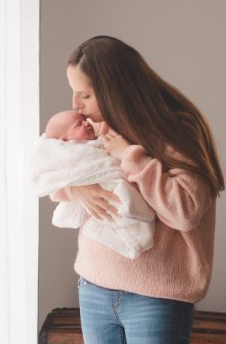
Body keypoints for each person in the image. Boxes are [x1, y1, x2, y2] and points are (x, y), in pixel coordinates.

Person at [52, 35, 225, 344]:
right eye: (74, 92)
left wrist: (130, 156)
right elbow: (49, 172)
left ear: (114, 90)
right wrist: (77, 188)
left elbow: (184, 212)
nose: (76, 105)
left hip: (156, 297)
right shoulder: (93, 128)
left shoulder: (179, 129)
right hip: (93, 288)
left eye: (85, 94)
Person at [30, 110, 156, 259]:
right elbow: (56, 181)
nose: (86, 122)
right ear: (65, 140)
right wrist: (76, 186)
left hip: (115, 186)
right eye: (79, 124)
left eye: (84, 119)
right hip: (92, 265)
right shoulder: (70, 152)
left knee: (123, 207)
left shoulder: (105, 136)